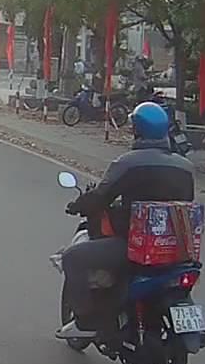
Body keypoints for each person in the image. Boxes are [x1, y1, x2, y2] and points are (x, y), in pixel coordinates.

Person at [57, 101, 195, 337]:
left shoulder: (128, 163)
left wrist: (78, 205)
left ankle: (86, 322)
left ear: (137, 130)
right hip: (176, 251)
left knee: (72, 257)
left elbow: (101, 196)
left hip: (135, 247)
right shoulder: (186, 167)